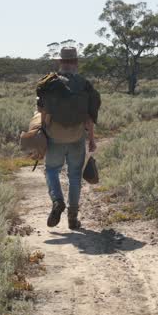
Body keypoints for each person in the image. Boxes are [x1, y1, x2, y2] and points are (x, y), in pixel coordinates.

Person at [36, 46, 100, 230]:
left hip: (55, 138)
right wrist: (92, 139)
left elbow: (43, 112)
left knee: (51, 171)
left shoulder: (50, 83)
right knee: (74, 177)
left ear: (60, 62)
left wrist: (42, 132)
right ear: (76, 62)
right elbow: (89, 118)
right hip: (76, 138)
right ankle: (73, 218)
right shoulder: (84, 84)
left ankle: (57, 201)